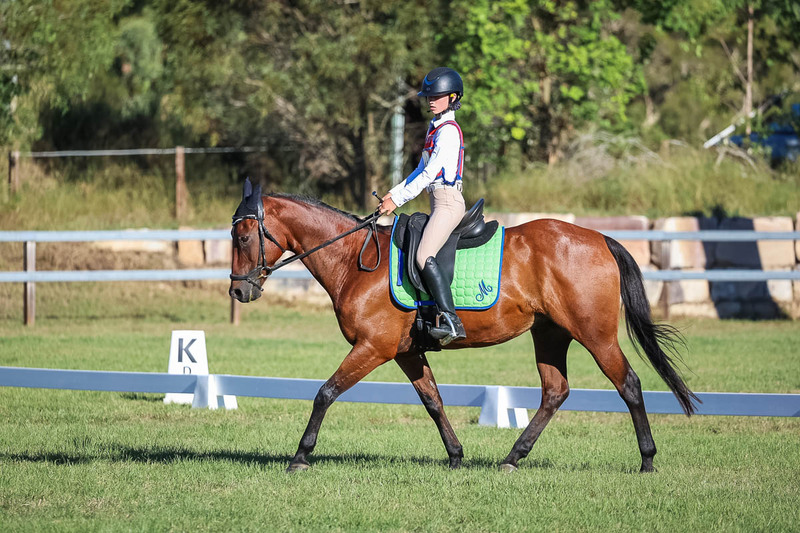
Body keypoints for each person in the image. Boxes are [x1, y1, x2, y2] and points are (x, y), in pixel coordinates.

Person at [379, 67, 467, 344]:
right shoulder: (435, 128)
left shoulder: (449, 132)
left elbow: (431, 175)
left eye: (437, 95)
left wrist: (399, 199)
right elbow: (420, 170)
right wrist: (391, 195)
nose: (430, 99)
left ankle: (451, 321)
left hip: (449, 202)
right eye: (428, 95)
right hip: (436, 200)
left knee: (423, 254)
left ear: (453, 97)